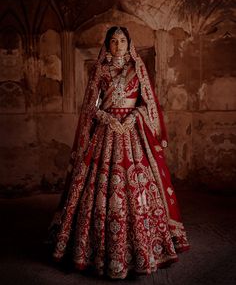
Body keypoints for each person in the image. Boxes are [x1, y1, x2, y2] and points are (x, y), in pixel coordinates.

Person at [47, 26, 190, 279]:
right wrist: (106, 118)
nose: (118, 45)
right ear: (107, 45)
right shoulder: (100, 70)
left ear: (129, 43)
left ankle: (145, 248)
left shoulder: (138, 69)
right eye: (113, 41)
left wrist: (134, 116)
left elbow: (147, 104)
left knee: (140, 187)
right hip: (106, 131)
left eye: (122, 40)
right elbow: (91, 106)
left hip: (133, 133)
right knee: (98, 185)